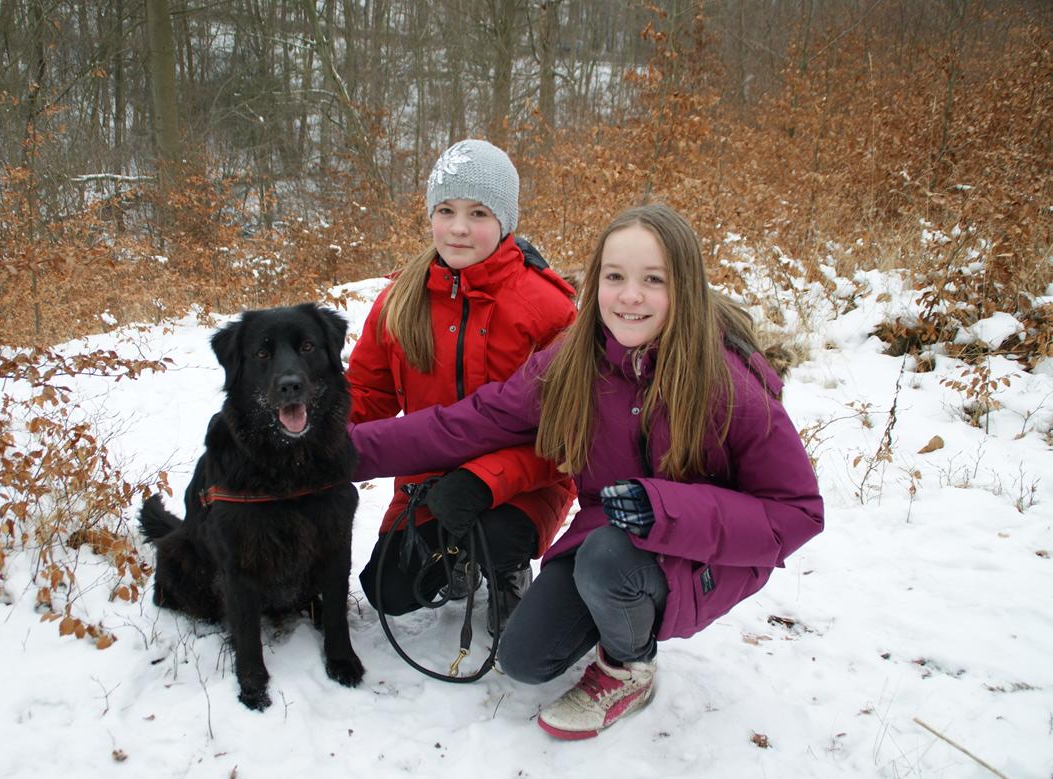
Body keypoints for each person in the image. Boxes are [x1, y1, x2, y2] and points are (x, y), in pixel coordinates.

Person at [349, 204, 824, 739]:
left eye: (653, 280)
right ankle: (623, 605)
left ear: (685, 287)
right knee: (527, 659)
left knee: (606, 561)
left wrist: (665, 509)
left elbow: (798, 513)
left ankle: (630, 667)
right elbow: (468, 424)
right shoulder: (576, 362)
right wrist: (337, 454)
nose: (629, 296)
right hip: (614, 541)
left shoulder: (728, 385)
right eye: (614, 277)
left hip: (710, 552)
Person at [345, 139, 577, 635]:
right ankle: (458, 561)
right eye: (445, 210)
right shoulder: (398, 301)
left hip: (524, 481)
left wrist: (485, 480)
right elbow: (367, 395)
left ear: (505, 222)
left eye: (478, 213)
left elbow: (570, 437)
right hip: (429, 481)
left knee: (493, 535)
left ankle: (504, 566)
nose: (458, 228)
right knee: (389, 590)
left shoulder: (549, 307)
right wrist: (310, 446)